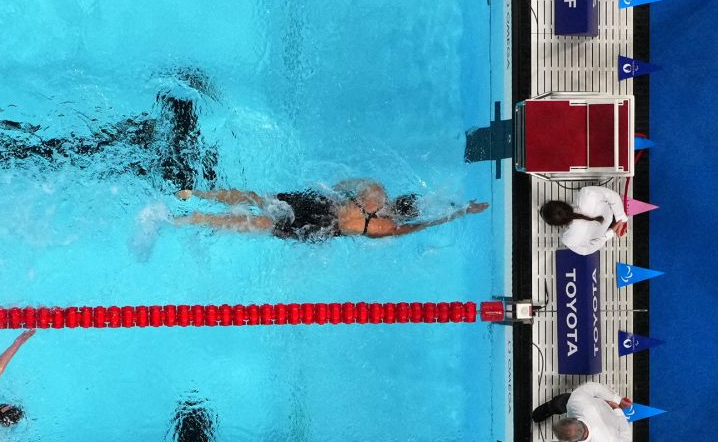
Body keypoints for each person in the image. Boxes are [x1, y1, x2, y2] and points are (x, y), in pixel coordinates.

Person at [171, 178, 488, 241]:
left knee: (256, 199)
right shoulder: (386, 229)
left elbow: (340, 185)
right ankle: (195, 220)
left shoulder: (374, 191)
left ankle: (196, 193)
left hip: (317, 204)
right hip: (320, 229)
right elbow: (425, 226)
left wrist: (322, 192)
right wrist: (462, 211)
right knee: (259, 223)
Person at [531, 381, 632, 442]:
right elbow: (594, 387)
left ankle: (550, 407)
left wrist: (618, 409)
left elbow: (626, 436)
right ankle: (549, 408)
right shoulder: (577, 402)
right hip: (610, 411)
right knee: (568, 400)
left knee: (563, 402)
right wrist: (616, 403)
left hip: (612, 416)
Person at [539, 185, 628, 255]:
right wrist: (621, 219)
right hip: (615, 215)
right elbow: (613, 197)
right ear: (561, 202)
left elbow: (587, 250)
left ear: (557, 225)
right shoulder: (586, 193)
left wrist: (611, 231)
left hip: (613, 227)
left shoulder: (569, 240)